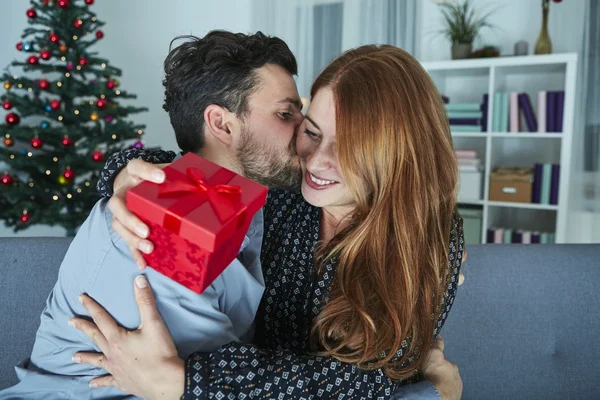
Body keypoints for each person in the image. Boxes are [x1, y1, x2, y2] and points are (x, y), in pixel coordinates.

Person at [69, 42, 466, 399]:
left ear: (398, 155)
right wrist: (125, 174)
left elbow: (364, 382)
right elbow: (211, 162)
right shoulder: (283, 193)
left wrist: (185, 382)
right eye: (312, 130)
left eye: (350, 148)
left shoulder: (429, 235)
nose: (316, 159)